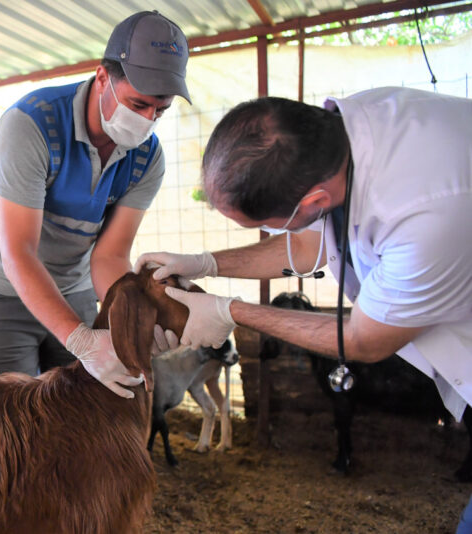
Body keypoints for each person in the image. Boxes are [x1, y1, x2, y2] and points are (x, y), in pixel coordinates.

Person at [135, 87, 472, 528]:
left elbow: (364, 339)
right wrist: (208, 263)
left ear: (312, 202)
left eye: (263, 226)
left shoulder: (427, 214)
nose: (267, 232)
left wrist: (230, 312)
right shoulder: (340, 136)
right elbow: (314, 238)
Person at [0, 11, 191, 398]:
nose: (148, 120)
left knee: (82, 411)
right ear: (103, 78)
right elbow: (18, 252)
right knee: (4, 417)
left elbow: (110, 256)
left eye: (160, 111)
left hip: (74, 286)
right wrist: (81, 340)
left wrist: (138, 318)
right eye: (138, 104)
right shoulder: (31, 124)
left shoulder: (147, 158)